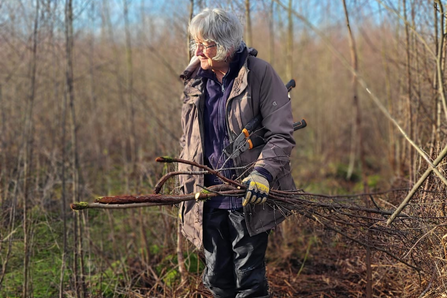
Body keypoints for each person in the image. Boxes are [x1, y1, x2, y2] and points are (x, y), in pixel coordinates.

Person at [178, 7, 296, 298]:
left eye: (207, 44)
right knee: (217, 280)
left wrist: (263, 173)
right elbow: (188, 140)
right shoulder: (195, 81)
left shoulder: (259, 74)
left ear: (227, 46)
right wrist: (186, 182)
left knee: (250, 283)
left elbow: (281, 134)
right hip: (207, 200)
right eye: (197, 43)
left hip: (247, 199)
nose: (199, 50)